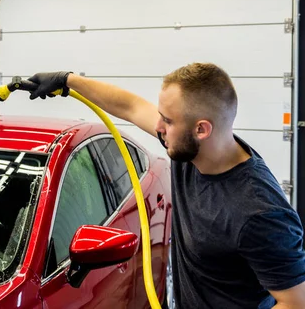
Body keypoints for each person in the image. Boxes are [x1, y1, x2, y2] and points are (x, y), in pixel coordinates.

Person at [25, 64, 305, 309]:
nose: (157, 126)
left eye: (168, 121)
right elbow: (131, 106)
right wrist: (67, 79)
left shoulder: (260, 212)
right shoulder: (194, 148)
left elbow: (295, 302)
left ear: (201, 129)